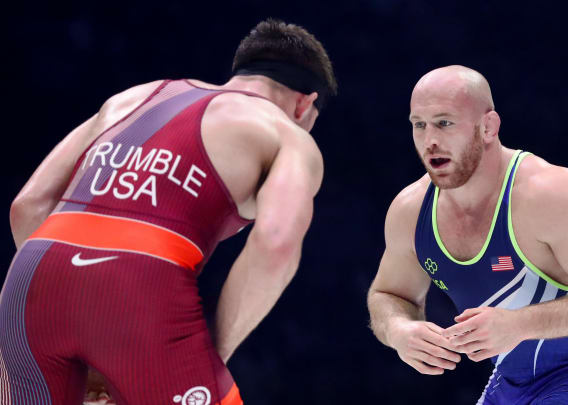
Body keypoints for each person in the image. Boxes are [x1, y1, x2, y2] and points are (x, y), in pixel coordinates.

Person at [0, 18, 336, 405]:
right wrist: (211, 357)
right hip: (138, 287)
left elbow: (27, 207)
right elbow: (276, 244)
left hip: (30, 284)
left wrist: (70, 304)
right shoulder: (286, 134)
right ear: (305, 104)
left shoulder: (134, 97)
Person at [367, 65, 568, 404]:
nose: (430, 141)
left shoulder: (551, 193)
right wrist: (399, 331)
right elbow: (388, 294)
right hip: (510, 383)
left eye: (444, 123)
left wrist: (520, 325)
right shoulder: (409, 211)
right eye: (419, 125)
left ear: (488, 127)